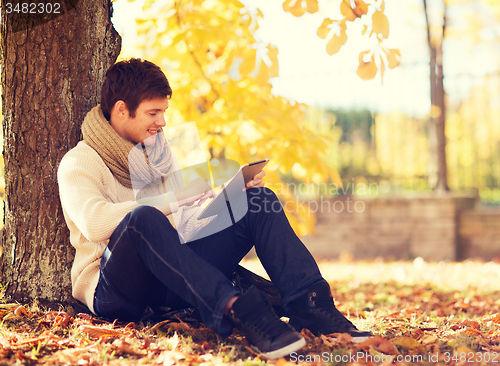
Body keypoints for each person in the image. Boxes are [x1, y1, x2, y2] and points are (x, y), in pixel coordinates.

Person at [57, 58, 372, 359]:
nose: (162, 122)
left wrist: (226, 200)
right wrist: (174, 198)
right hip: (116, 292)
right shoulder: (80, 161)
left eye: (164, 112)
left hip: (173, 281)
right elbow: (95, 223)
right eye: (153, 113)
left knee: (258, 200)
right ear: (122, 111)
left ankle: (312, 307)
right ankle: (240, 310)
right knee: (142, 218)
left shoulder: (158, 156)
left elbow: (183, 228)